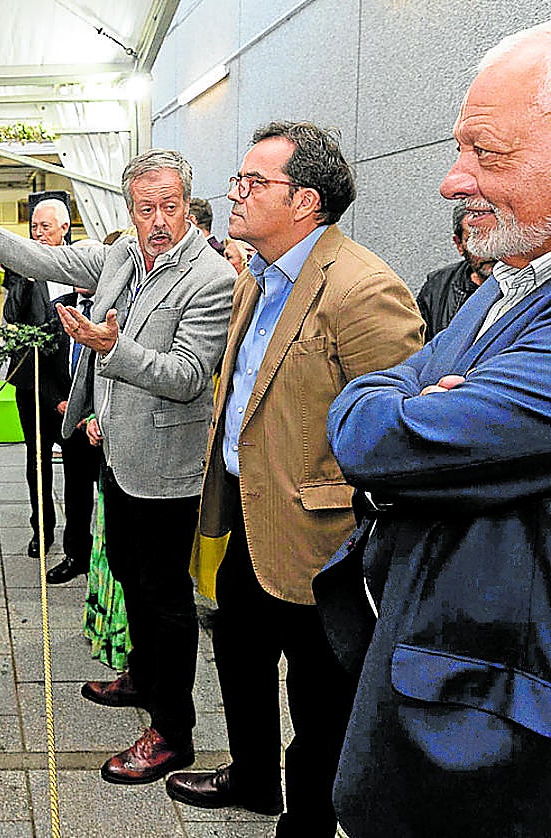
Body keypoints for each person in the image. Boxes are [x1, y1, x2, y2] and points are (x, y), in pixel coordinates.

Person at [0, 150, 235, 786]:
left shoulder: (211, 277)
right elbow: (43, 260)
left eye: (169, 207)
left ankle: (174, 732)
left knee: (165, 599)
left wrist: (115, 349)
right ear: (128, 210)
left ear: (188, 204)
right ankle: (143, 677)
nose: (158, 220)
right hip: (118, 451)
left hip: (166, 466)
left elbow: (189, 376)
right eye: (145, 208)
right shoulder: (121, 255)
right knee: (130, 576)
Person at [321, 25, 551, 838]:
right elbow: (369, 405)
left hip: (492, 730)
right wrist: (406, 396)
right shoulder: (512, 281)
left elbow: (376, 440)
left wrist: (401, 402)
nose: (454, 180)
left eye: (486, 152)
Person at [164, 122, 424, 837]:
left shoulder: (364, 289)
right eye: (238, 180)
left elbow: (397, 435)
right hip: (248, 518)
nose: (235, 193)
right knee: (238, 654)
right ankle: (253, 777)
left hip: (323, 542)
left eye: (254, 183)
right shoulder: (258, 276)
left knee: (321, 699)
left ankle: (307, 821)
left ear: (305, 200)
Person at [1, 198, 73, 558]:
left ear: (64, 228)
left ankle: (78, 540)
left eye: (46, 226)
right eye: (34, 227)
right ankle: (41, 529)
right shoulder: (20, 266)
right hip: (32, 381)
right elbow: (12, 314)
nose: (38, 233)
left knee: (77, 465)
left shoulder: (79, 263)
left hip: (72, 382)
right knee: (37, 458)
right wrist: (27, 279)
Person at [45, 282, 101, 584]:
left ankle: (109, 561)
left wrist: (93, 412)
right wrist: (58, 401)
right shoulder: (58, 309)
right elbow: (43, 364)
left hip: (103, 423)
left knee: (111, 497)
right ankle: (76, 555)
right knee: (76, 493)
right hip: (70, 421)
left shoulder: (115, 307)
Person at [414, 200, 495, 340]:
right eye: (476, 239)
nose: (488, 250)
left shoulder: (526, 283)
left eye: (493, 237)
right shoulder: (437, 287)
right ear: (459, 244)